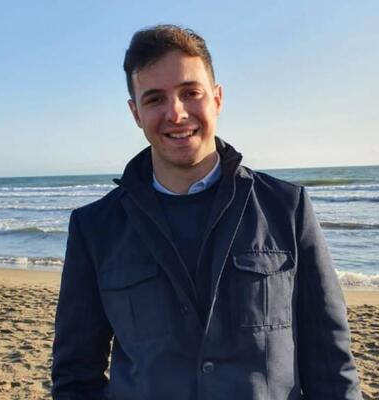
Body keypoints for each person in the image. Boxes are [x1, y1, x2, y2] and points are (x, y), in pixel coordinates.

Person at [51, 24, 362, 400]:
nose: (176, 113)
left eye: (190, 93)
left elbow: (330, 364)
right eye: (155, 99)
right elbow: (76, 376)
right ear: (136, 112)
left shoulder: (287, 208)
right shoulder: (95, 228)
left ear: (217, 98)